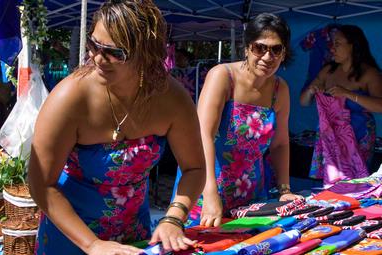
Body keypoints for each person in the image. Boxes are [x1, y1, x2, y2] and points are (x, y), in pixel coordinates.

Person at [28, 1, 206, 254]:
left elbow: (195, 168)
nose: (97, 58)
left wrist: (173, 218)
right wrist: (92, 244)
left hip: (135, 236)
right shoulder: (69, 98)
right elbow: (40, 183)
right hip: (72, 237)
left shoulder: (171, 98)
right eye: (93, 45)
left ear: (146, 53)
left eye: (114, 52)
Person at [172, 13, 302, 228]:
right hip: (206, 188)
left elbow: (280, 144)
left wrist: (284, 189)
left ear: (284, 52)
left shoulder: (280, 89)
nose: (268, 57)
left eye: (276, 49)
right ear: (247, 47)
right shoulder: (223, 77)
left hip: (251, 193)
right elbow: (203, 135)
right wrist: (211, 194)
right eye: (260, 48)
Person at [300, 24, 382, 186]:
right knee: (331, 183)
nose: (332, 48)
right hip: (330, 136)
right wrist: (311, 90)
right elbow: (303, 102)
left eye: (337, 43)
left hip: (359, 137)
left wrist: (348, 94)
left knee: (356, 183)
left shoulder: (369, 73)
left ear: (353, 45)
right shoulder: (328, 71)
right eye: (331, 44)